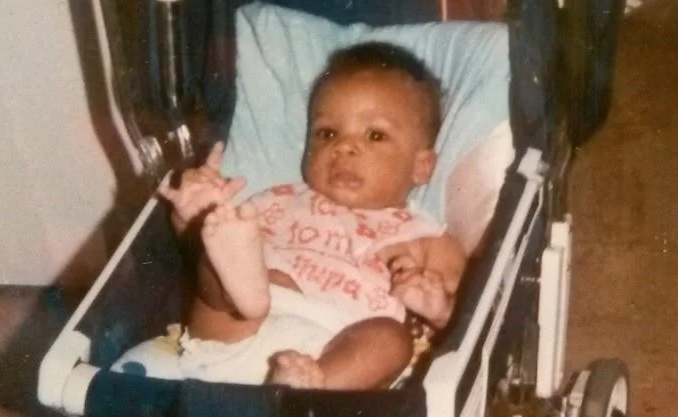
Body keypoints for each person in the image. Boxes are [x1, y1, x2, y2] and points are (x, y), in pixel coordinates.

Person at [160, 41, 466, 391]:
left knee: (391, 339)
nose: (344, 147)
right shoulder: (277, 199)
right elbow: (194, 258)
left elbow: (465, 320)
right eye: (327, 133)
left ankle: (303, 395)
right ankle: (245, 293)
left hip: (333, 344)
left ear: (421, 166)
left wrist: (440, 309)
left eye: (375, 135)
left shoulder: (422, 235)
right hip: (238, 327)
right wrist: (195, 216)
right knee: (215, 261)